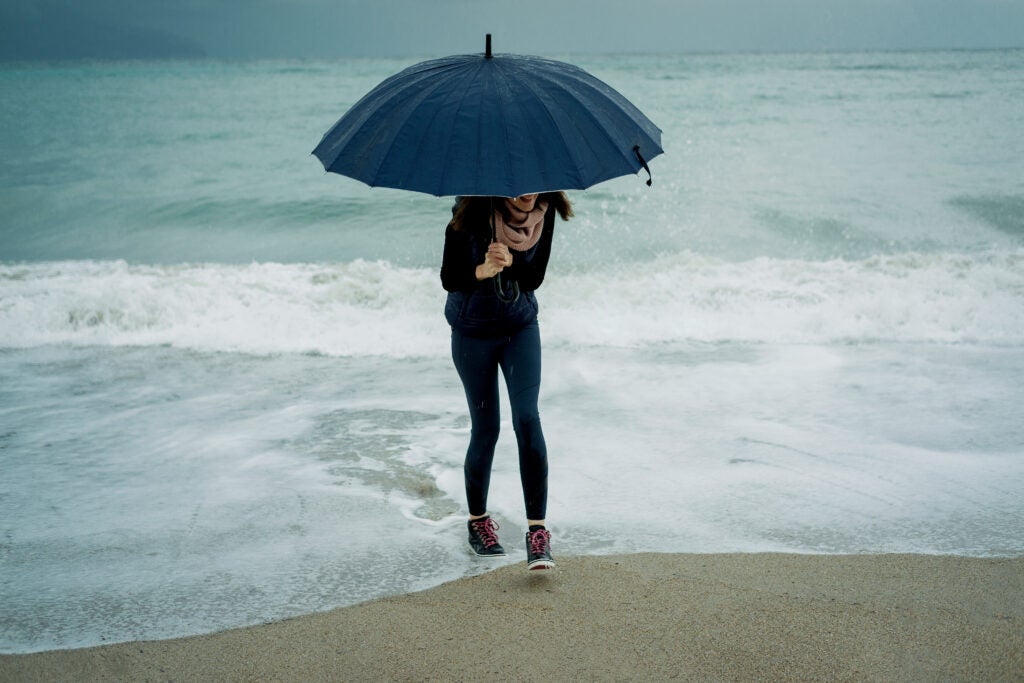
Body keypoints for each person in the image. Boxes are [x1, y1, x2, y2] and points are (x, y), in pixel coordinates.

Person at [440, 191, 573, 570]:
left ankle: (537, 532)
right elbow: (450, 277)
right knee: (486, 429)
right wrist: (481, 270)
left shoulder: (543, 214)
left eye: (532, 184)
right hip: (472, 331)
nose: (526, 194)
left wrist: (510, 262)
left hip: (520, 327)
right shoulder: (468, 211)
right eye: (516, 188)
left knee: (527, 418)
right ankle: (478, 522)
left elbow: (535, 278)